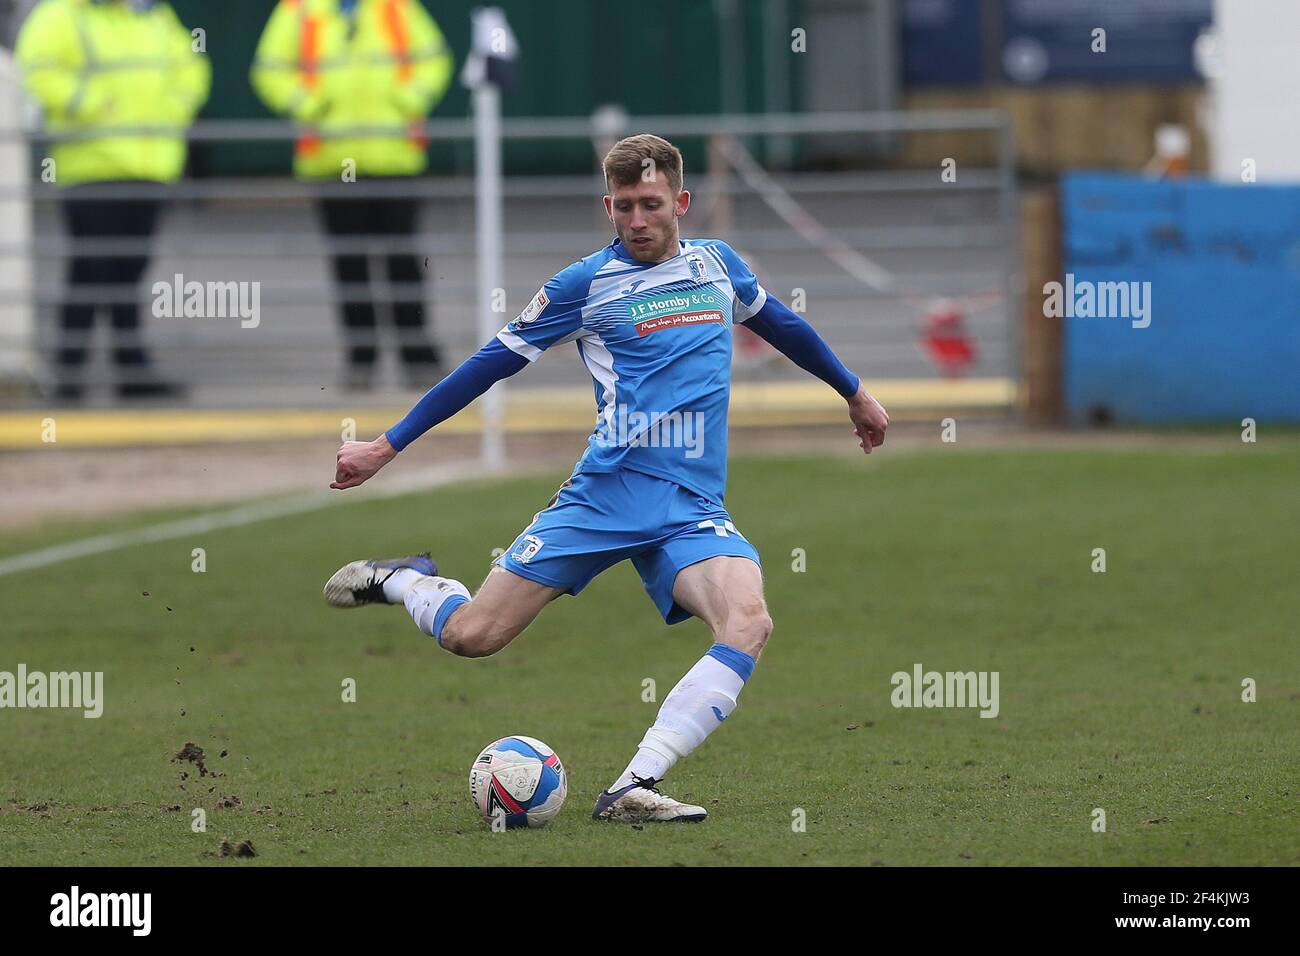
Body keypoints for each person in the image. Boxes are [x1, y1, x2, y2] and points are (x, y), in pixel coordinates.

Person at [322, 135, 890, 823]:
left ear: (681, 201)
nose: (638, 220)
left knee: (748, 621)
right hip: (603, 497)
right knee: (474, 636)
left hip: (689, 507)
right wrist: (387, 445)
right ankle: (412, 579)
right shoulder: (583, 286)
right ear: (608, 206)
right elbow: (487, 364)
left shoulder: (718, 266)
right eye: (623, 207)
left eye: (651, 205)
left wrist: (853, 391)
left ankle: (630, 786)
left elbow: (783, 324)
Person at [250, 0, 454, 391]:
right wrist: (309, 105)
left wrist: (411, 99)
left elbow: (434, 58)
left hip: (395, 157)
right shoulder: (298, 10)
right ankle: (362, 358)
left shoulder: (396, 7)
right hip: (330, 159)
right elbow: (269, 70)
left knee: (402, 259)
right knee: (350, 263)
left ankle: (417, 355)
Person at [15, 0, 210, 401]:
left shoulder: (154, 14)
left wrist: (173, 110)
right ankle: (70, 370)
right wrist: (92, 104)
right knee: (91, 266)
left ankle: (130, 368)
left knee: (130, 268)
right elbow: (36, 69)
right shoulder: (61, 14)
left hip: (150, 165)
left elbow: (192, 66)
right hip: (90, 166)